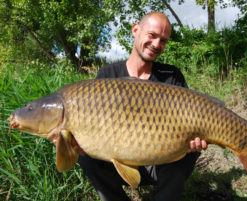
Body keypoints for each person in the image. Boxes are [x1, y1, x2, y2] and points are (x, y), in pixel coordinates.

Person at [56, 12, 208, 201]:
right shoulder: (108, 74)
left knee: (188, 153)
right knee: (86, 158)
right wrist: (72, 141)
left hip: (160, 161)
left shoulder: (171, 76)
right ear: (136, 30)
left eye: (163, 40)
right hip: (117, 164)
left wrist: (193, 142)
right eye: (152, 35)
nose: (156, 44)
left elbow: (193, 121)